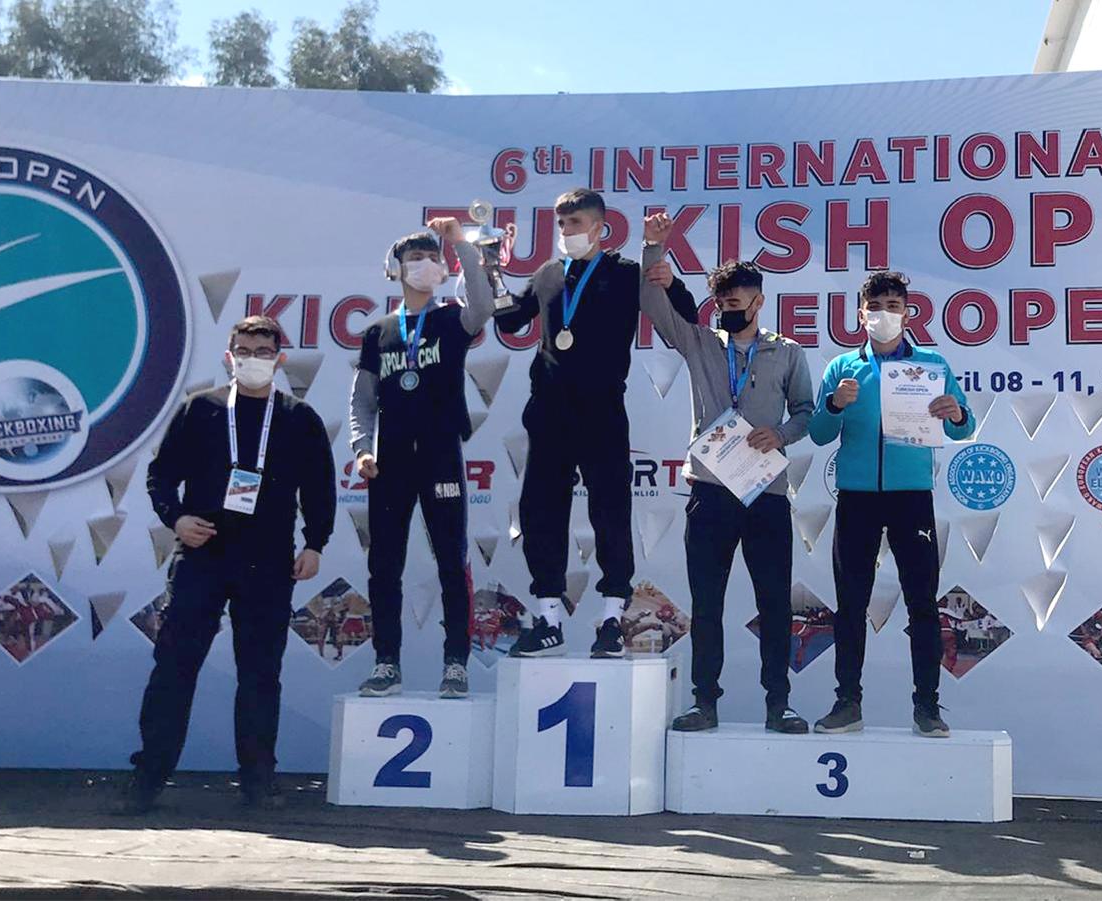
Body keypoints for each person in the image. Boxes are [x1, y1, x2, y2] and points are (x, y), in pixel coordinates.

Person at [454, 189, 697, 657]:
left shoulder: (625, 273)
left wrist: (670, 280)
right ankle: (549, 617)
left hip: (602, 411)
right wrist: (491, 271)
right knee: (540, 511)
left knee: (609, 511)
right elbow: (510, 321)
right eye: (562, 224)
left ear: (600, 227)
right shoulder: (549, 273)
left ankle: (612, 618)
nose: (567, 232)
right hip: (548, 410)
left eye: (576, 223)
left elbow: (682, 317)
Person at [121, 316, 335, 814]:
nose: (252, 359)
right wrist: (177, 519)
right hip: (203, 554)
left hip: (268, 561)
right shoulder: (201, 409)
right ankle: (147, 778)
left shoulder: (299, 418)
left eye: (263, 351)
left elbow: (320, 488)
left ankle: (259, 780)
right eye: (244, 351)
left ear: (279, 359)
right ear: (228, 356)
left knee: (260, 673)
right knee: (174, 666)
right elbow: (159, 476)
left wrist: (315, 544)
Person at [639, 214, 813, 733]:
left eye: (738, 303)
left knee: (774, 604)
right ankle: (704, 702)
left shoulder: (788, 352)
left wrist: (780, 433)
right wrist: (653, 248)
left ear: (759, 302)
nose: (729, 311)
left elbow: (806, 411)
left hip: (766, 493)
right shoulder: (700, 342)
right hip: (711, 492)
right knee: (706, 603)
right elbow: (653, 305)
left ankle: (778, 704)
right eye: (722, 304)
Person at [808, 271, 975, 738]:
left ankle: (928, 708)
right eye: (876, 306)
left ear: (907, 313)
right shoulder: (842, 367)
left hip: (911, 497)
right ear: (861, 315)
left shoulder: (932, 365)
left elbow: (964, 428)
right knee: (850, 604)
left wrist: (956, 412)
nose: (884, 314)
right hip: (857, 497)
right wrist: (835, 405)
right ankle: (847, 703)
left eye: (893, 306)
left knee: (922, 603)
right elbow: (818, 434)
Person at [349, 218, 490, 699]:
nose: (425, 265)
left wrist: (459, 245)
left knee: (452, 560)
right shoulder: (379, 332)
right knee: (384, 564)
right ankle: (386, 662)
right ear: (395, 269)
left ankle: (456, 664)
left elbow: (484, 306)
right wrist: (362, 449)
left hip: (440, 454)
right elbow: (362, 401)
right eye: (415, 258)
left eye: (432, 258)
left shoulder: (452, 319)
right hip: (389, 461)